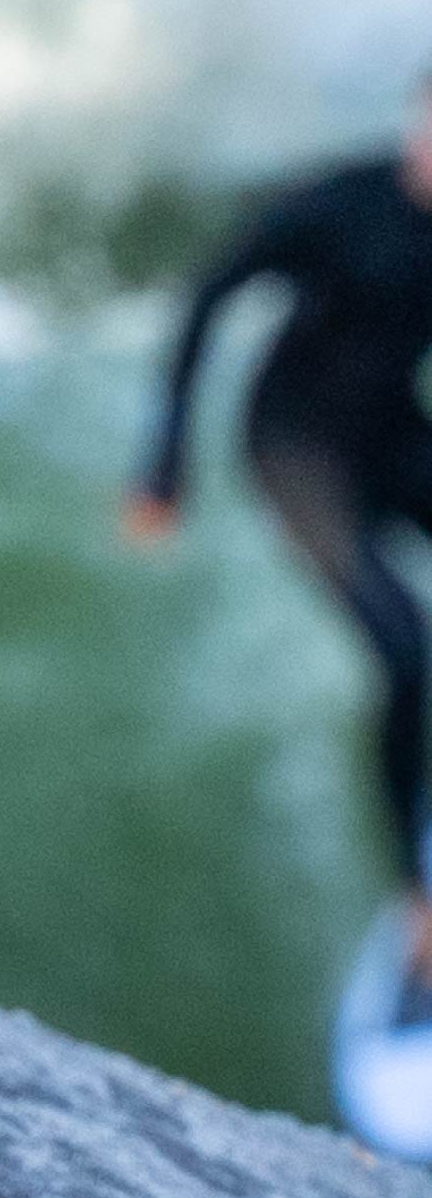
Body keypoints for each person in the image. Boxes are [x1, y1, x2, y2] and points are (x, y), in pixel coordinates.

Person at [126, 77, 432, 1012]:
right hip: (295, 450)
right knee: (406, 649)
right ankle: (416, 902)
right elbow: (208, 290)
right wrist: (164, 462)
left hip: (389, 435)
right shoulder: (339, 205)